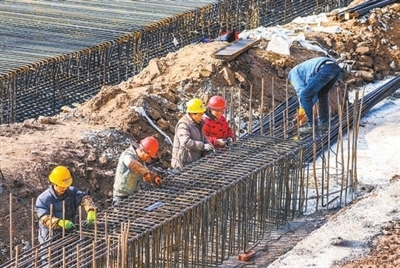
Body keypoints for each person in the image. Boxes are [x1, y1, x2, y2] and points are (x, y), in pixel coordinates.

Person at [35, 166, 96, 244]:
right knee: (49, 255)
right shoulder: (43, 199)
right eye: (62, 186)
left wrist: (90, 210)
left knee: (69, 254)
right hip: (50, 236)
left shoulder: (71, 192)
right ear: (54, 184)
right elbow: (44, 218)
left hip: (68, 233)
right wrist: (59, 222)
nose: (64, 188)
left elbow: (84, 198)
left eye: (66, 186)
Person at [288, 56, 342, 133]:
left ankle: (312, 126)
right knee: (322, 94)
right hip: (335, 68)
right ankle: (324, 124)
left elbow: (301, 92)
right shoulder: (304, 73)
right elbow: (313, 94)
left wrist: (302, 110)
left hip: (325, 69)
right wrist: (306, 108)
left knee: (304, 96)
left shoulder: (293, 74)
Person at [113, 136, 163, 205]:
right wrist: (145, 173)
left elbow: (145, 171)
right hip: (121, 196)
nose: (148, 159)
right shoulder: (127, 155)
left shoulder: (140, 160)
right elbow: (132, 164)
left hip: (133, 196)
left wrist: (154, 178)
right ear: (142, 150)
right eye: (148, 156)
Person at [171, 98, 214, 169]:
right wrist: (202, 146)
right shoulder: (183, 125)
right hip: (182, 164)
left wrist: (209, 145)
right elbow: (185, 142)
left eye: (202, 114)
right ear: (192, 114)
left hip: (193, 162)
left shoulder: (198, 123)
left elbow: (203, 137)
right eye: (200, 114)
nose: (202, 117)